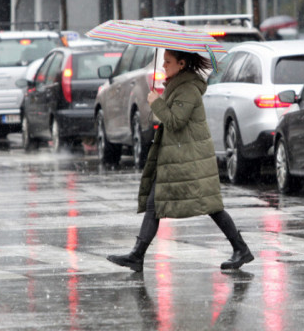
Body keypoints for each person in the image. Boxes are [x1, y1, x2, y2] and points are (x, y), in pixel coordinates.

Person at [107, 49, 254, 272]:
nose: (163, 66)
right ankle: (137, 255)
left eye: (168, 62)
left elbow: (176, 121)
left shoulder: (187, 89)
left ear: (182, 63)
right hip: (178, 158)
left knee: (211, 206)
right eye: (163, 61)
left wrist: (156, 103)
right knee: (154, 205)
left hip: (190, 160)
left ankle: (241, 249)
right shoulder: (177, 85)